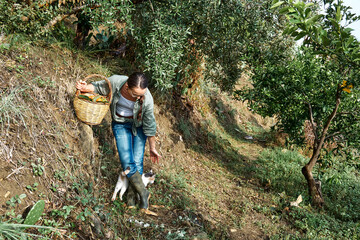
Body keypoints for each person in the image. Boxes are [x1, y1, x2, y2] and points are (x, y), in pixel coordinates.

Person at [76, 72, 161, 214]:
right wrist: (84, 87)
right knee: (127, 162)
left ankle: (132, 198)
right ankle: (144, 193)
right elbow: (99, 87)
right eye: (136, 94)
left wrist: (152, 147)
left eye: (142, 94)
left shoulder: (147, 100)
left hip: (138, 127)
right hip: (120, 124)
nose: (140, 97)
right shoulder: (116, 82)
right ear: (127, 86)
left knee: (137, 161)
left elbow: (149, 125)